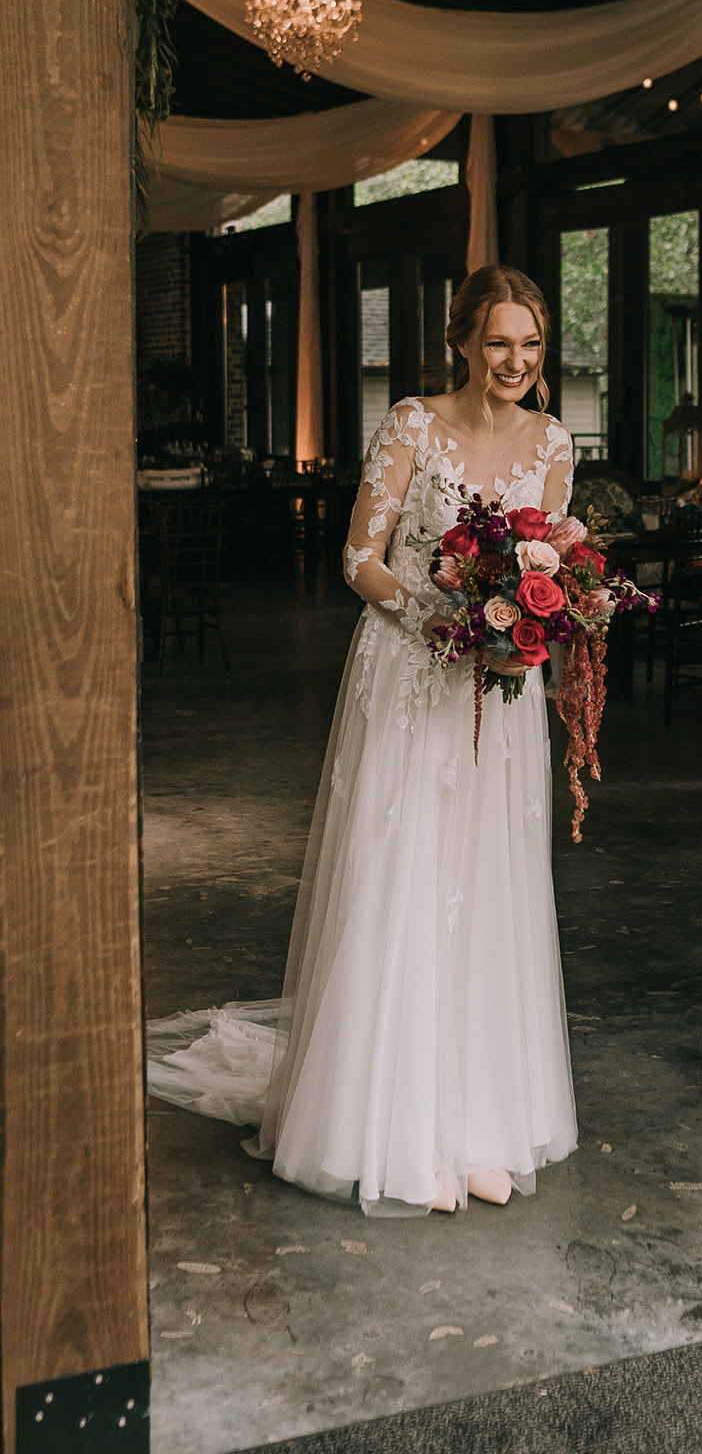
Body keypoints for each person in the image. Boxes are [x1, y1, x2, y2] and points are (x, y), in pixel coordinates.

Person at [147, 265, 579, 1217]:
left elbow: (544, 550)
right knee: (409, 876)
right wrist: (444, 618)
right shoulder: (412, 426)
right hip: (413, 669)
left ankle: (476, 1122)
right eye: (499, 341)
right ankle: (392, 1123)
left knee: (488, 882)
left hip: (498, 687)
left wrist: (522, 628)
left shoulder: (553, 441)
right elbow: (358, 560)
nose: (515, 360)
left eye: (532, 345)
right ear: (463, 342)